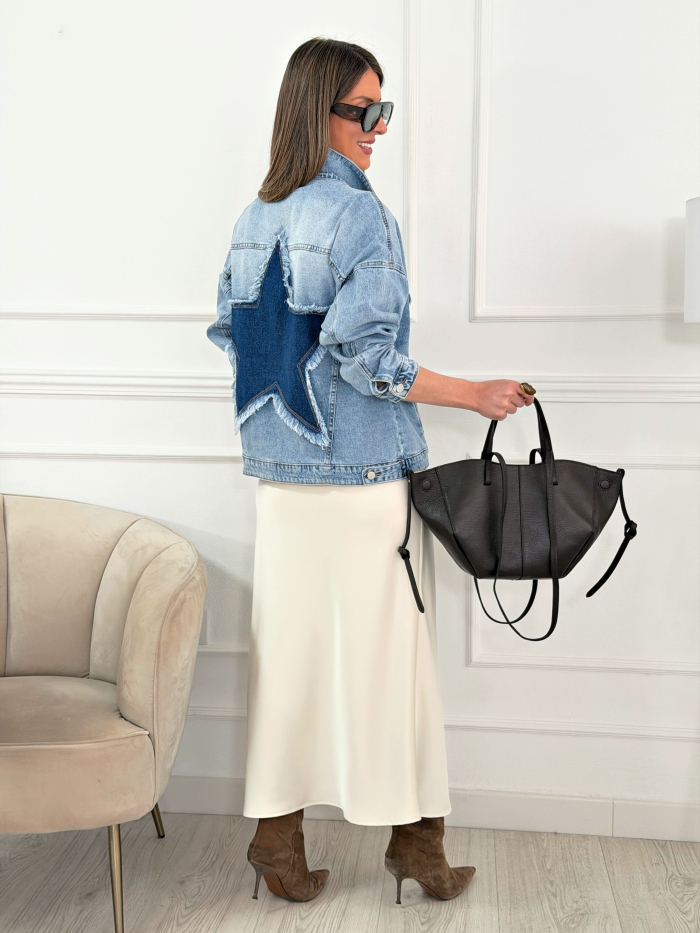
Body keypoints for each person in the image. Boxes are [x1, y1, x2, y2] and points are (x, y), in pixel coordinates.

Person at [206, 36, 534, 906]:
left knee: (289, 660)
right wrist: (475, 394)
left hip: (280, 483)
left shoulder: (254, 216)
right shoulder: (359, 215)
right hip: (360, 482)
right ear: (315, 110)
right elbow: (368, 357)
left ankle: (278, 842)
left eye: (384, 111)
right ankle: (417, 847)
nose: (379, 127)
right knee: (392, 665)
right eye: (365, 111)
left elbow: (229, 333)